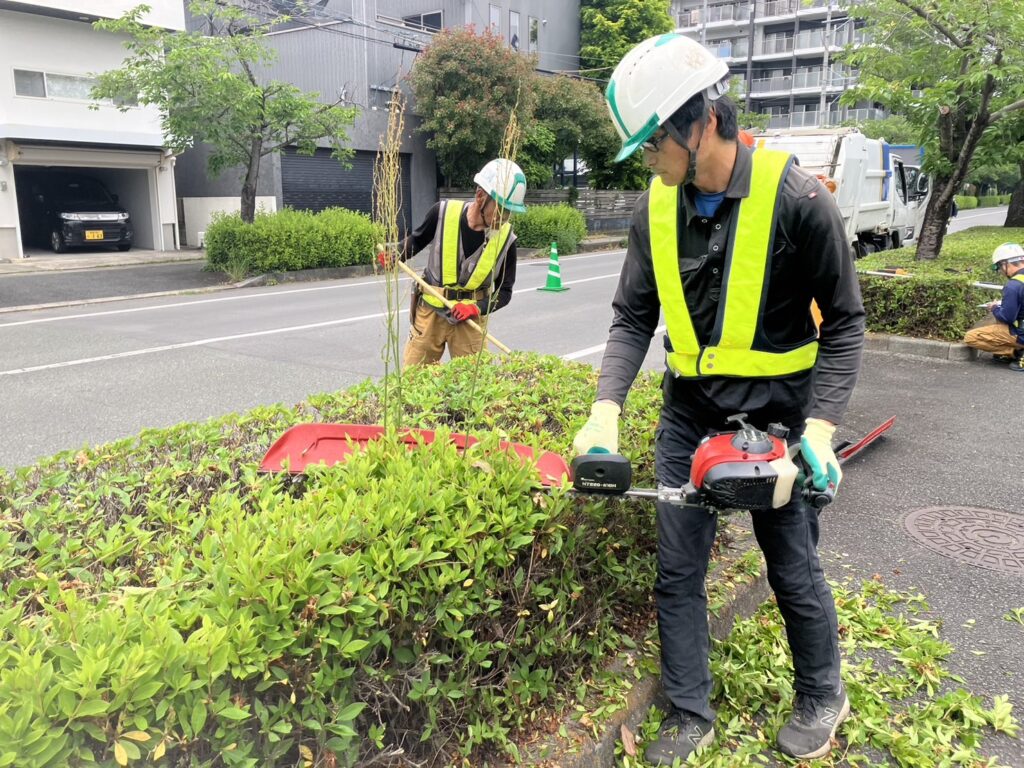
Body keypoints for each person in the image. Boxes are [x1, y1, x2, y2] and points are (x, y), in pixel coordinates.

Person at [572, 33, 865, 764]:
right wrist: (605, 408)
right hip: (688, 417)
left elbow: (849, 322)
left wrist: (821, 431)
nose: (647, 161)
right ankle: (689, 712)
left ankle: (823, 693)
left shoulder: (797, 199)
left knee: (791, 564)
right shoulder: (656, 209)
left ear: (697, 123)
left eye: (651, 145)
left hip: (780, 421)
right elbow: (635, 315)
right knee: (677, 571)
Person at [378, 158, 526, 366]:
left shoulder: (506, 239)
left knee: (473, 388)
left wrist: (476, 308)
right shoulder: (442, 213)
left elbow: (505, 292)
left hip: (469, 322)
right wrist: (395, 253)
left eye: (510, 212)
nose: (504, 218)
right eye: (501, 209)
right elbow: (416, 241)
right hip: (429, 314)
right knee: (415, 379)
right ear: (480, 196)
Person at [963, 242, 1024, 371]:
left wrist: (994, 308)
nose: (1001, 271)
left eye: (999, 267)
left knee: (971, 337)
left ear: (1005, 263)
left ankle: (1016, 352)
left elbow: (1007, 317)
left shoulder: (1014, 285)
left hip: (1021, 333)